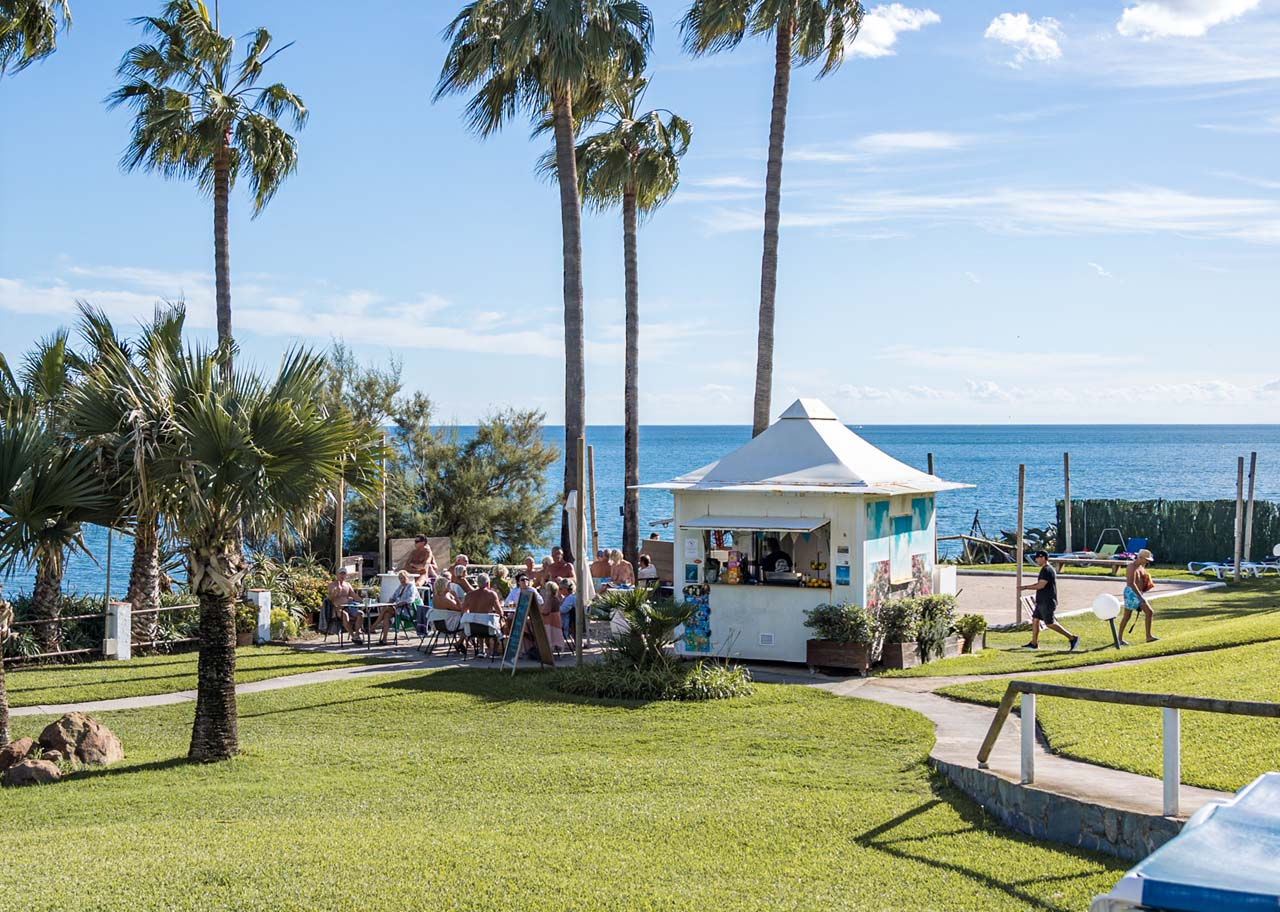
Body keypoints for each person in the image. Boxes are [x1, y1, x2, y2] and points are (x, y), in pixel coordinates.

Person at [1020, 550, 1079, 651]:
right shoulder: (1045, 569)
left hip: (1047, 601)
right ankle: (1034, 643)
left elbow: (1041, 585)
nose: (1036, 560)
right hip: (1041, 601)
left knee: (1049, 623)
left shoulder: (1047, 570)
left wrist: (1025, 587)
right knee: (1035, 620)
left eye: (1037, 558)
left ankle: (1072, 638)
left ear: (1043, 558)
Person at [1119, 548, 1158, 646]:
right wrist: (1141, 597)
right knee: (1127, 616)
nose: (1147, 562)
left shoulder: (1141, 566)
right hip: (1131, 593)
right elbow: (1131, 583)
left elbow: (1141, 580)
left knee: (1148, 612)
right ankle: (1119, 639)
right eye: (1146, 560)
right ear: (1140, 558)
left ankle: (1148, 636)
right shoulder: (1131, 567)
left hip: (1138, 592)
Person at [461, 573, 505, 657]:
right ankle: (494, 651)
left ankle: (481, 650)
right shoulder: (491, 594)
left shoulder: (469, 595)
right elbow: (500, 612)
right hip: (488, 629)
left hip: (473, 629)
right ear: (488, 583)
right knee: (499, 622)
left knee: (478, 620)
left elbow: (463, 611)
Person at [375, 570, 418, 645]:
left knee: (386, 609)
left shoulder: (411, 586)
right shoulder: (401, 587)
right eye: (400, 578)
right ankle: (384, 639)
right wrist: (389, 602)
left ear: (407, 577)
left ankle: (373, 627)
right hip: (398, 609)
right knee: (386, 615)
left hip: (407, 610)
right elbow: (393, 597)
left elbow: (410, 599)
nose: (402, 580)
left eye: (403, 578)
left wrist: (397, 604)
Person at [327, 567, 365, 645]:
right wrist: (335, 593)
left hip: (349, 607)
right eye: (341, 573)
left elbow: (354, 596)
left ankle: (357, 634)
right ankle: (353, 636)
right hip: (337, 608)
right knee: (345, 615)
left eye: (344, 574)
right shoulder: (332, 585)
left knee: (360, 614)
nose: (342, 575)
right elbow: (330, 599)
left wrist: (363, 602)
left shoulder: (347, 585)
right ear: (337, 575)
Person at [432, 575, 466, 654]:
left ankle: (463, 642)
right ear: (444, 586)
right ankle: (459, 642)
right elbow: (460, 609)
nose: (450, 586)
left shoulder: (436, 597)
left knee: (463, 619)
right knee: (468, 622)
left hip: (439, 623)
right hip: (449, 625)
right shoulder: (445, 599)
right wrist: (456, 597)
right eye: (448, 584)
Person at [540, 581, 568, 653]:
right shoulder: (555, 598)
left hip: (551, 623)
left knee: (530, 626)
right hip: (556, 622)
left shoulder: (551, 599)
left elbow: (546, 612)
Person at [558, 578, 577, 644]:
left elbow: (563, 610)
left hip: (570, 621)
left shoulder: (570, 598)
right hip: (571, 619)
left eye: (560, 589)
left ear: (566, 589)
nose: (559, 590)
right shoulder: (569, 597)